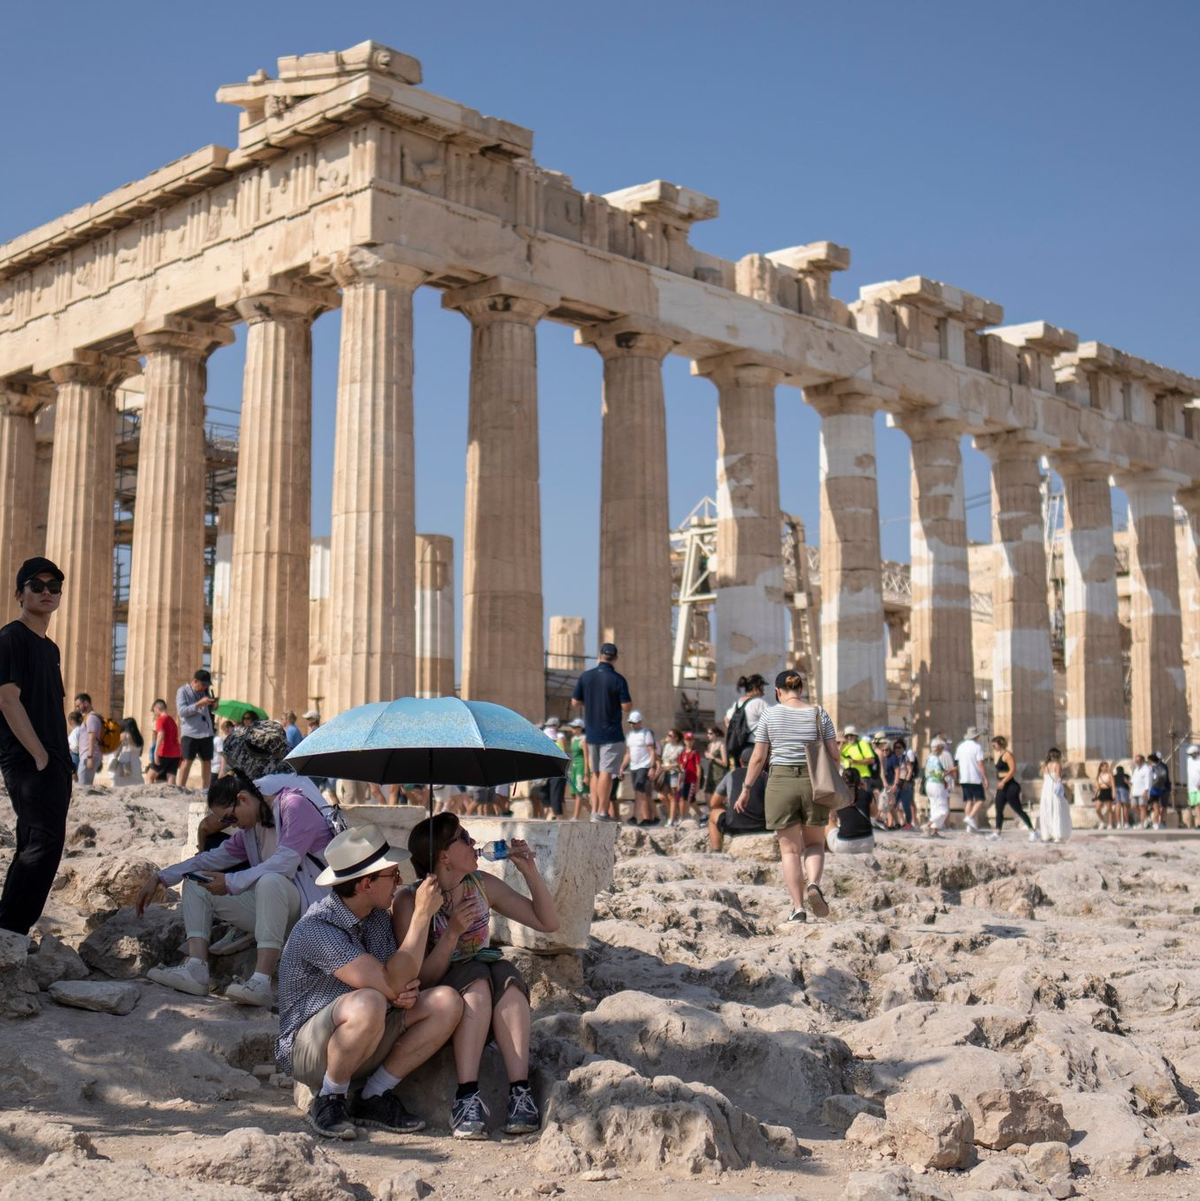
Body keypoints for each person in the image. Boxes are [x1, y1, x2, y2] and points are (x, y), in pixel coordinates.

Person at [276, 824, 464, 1140]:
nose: (400, 882)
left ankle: (373, 1096)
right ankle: (330, 1098)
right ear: (366, 884)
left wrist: (400, 992)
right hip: (309, 1053)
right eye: (392, 875)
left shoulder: (375, 918)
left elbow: (399, 981)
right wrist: (420, 916)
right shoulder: (317, 928)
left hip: (366, 1034)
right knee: (370, 1001)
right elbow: (388, 985)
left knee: (446, 1001)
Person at [135, 724, 336, 1006]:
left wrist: (230, 882)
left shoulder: (294, 804)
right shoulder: (253, 824)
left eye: (230, 818)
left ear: (243, 798)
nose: (230, 826)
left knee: (271, 880)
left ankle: (261, 981)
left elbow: (285, 863)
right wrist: (161, 877)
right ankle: (195, 968)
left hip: (312, 909)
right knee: (198, 880)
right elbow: (210, 858)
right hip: (277, 909)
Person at [395, 814, 559, 1139]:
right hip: (443, 998)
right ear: (444, 855)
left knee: (508, 979)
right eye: (464, 837)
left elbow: (547, 922)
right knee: (479, 981)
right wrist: (452, 934)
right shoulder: (411, 901)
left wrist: (530, 872)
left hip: (482, 980)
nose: (473, 843)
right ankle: (466, 1095)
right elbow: (419, 978)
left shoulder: (482, 884)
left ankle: (519, 1092)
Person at [0, 558, 74, 937]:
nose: (47, 591)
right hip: (30, 760)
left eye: (54, 586)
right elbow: (8, 700)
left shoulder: (51, 649)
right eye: (37, 585)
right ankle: (10, 929)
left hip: (55, 762)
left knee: (40, 843)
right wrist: (40, 755)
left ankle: (11, 930)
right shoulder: (11, 637)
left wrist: (60, 760)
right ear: (19, 593)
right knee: (41, 844)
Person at [738, 669, 837, 926]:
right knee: (815, 844)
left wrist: (746, 788)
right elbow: (834, 754)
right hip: (814, 781)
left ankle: (798, 908)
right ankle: (814, 883)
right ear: (801, 689)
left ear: (777, 691)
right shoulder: (819, 713)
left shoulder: (770, 714)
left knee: (790, 851)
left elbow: (759, 757)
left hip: (780, 780)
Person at [570, 643, 631, 823]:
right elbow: (627, 706)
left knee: (595, 773)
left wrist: (591, 701)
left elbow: (575, 702)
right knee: (606, 773)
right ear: (615, 658)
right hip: (611, 733)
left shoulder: (586, 676)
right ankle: (603, 812)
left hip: (592, 732)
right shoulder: (618, 679)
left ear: (599, 656)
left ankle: (595, 810)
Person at [707, 745, 767, 853]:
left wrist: (728, 807)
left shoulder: (731, 775)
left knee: (713, 813)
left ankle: (716, 851)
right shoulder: (765, 776)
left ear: (740, 761)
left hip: (734, 826)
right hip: (762, 826)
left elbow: (713, 803)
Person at [988, 735, 1036, 841]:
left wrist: (1004, 781)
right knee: (998, 808)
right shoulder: (1000, 755)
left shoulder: (1007, 755)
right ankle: (997, 832)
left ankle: (1032, 831)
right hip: (1002, 785)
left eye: (994, 745)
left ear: (1000, 744)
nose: (993, 748)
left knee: (1018, 809)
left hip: (1010, 785)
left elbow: (1012, 770)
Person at [176, 669, 217, 789]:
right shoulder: (183, 691)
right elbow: (182, 711)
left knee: (207, 762)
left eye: (207, 685)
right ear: (195, 681)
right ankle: (180, 787)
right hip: (190, 732)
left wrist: (213, 705)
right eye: (203, 685)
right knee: (187, 761)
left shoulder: (205, 692)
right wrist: (199, 704)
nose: (204, 688)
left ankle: (206, 789)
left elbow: (209, 711)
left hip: (206, 732)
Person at [621, 710, 659, 826]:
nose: (632, 725)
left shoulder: (645, 733)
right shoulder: (630, 735)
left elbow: (651, 751)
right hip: (634, 767)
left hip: (645, 766)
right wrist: (622, 767)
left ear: (640, 722)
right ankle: (653, 817)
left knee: (639, 790)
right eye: (630, 723)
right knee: (644, 793)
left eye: (634, 722)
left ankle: (636, 817)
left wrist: (652, 767)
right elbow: (628, 753)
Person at [826, 768, 876, 855]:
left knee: (826, 819)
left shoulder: (838, 795)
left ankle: (825, 848)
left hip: (844, 845)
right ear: (859, 781)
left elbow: (832, 815)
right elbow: (874, 814)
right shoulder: (866, 794)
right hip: (868, 843)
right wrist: (865, 790)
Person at [724, 674, 768, 765]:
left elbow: (726, 719)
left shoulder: (737, 705)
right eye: (762, 686)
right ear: (755, 687)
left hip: (739, 749)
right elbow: (773, 720)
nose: (764, 689)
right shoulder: (758, 703)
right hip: (755, 749)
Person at [954, 727, 989, 833]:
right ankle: (970, 818)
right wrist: (985, 778)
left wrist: (956, 777)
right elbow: (980, 763)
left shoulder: (960, 746)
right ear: (976, 736)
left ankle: (969, 827)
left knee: (968, 800)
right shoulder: (977, 747)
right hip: (975, 777)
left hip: (964, 777)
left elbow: (956, 763)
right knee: (980, 800)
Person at [923, 736, 955, 837]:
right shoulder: (935, 760)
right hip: (936, 785)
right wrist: (951, 771)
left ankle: (934, 831)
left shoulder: (929, 758)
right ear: (938, 748)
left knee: (934, 808)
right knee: (943, 810)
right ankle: (928, 825)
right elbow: (938, 774)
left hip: (929, 785)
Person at [1038, 747, 1071, 843]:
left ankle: (1047, 835)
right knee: (1057, 810)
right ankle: (1057, 835)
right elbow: (1057, 779)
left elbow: (1046, 778)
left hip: (1046, 789)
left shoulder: (1045, 766)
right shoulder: (1057, 765)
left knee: (1047, 811)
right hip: (1054, 789)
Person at [146, 698, 182, 784]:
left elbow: (161, 735)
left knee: (150, 776)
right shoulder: (172, 720)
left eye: (154, 711)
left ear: (157, 708)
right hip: (176, 753)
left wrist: (155, 752)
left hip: (164, 752)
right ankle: (173, 796)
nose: (154, 713)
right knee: (171, 778)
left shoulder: (160, 720)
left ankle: (149, 796)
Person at [541, 718, 568, 820]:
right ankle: (553, 815)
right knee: (544, 794)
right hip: (547, 772)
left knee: (556, 797)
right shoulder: (546, 737)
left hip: (557, 771)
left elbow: (562, 755)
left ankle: (559, 818)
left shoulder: (560, 737)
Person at [884, 739, 914, 829]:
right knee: (893, 803)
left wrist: (906, 781)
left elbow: (910, 770)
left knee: (906, 804)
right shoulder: (892, 758)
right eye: (895, 747)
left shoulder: (905, 758)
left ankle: (908, 823)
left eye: (899, 747)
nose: (897, 749)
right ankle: (892, 822)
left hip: (903, 782)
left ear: (903, 748)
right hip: (895, 782)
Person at [74, 692, 103, 785]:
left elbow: (92, 738)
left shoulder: (91, 718)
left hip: (88, 756)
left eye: (78, 706)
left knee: (83, 786)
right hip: (87, 756)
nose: (77, 709)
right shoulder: (88, 718)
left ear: (86, 703)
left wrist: (90, 758)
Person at [108, 718, 145, 787]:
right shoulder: (139, 737)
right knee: (136, 784)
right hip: (136, 762)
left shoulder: (123, 735)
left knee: (120, 784)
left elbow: (115, 750)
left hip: (124, 762)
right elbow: (140, 753)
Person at [658, 729, 684, 826]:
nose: (667, 737)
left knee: (671, 797)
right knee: (661, 796)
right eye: (667, 734)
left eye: (670, 735)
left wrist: (671, 766)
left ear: (676, 738)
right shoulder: (667, 746)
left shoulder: (680, 748)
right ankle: (674, 815)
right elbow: (663, 759)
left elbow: (681, 764)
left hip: (674, 773)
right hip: (664, 773)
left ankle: (671, 819)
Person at [568, 718, 589, 820]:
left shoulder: (583, 739)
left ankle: (575, 817)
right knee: (573, 793)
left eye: (575, 727)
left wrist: (586, 774)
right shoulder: (573, 739)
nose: (572, 729)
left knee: (578, 792)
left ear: (580, 728)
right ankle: (591, 810)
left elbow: (586, 757)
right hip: (574, 766)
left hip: (581, 767)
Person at [678, 732, 703, 821]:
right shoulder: (682, 753)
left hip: (692, 780)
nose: (689, 742)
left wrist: (698, 782)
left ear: (693, 741)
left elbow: (698, 768)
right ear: (684, 741)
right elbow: (680, 768)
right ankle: (702, 816)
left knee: (687, 800)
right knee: (690, 800)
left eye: (691, 740)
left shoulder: (695, 753)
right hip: (684, 780)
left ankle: (684, 818)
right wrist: (678, 782)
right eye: (687, 740)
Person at [703, 725, 729, 801]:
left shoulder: (721, 745)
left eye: (710, 733)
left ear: (716, 734)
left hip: (719, 775)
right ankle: (712, 812)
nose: (708, 735)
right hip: (711, 775)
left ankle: (721, 812)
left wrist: (713, 758)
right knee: (707, 796)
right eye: (708, 733)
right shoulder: (709, 745)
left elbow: (725, 763)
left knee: (719, 799)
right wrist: (707, 756)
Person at [1147, 752, 1171, 830]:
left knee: (1162, 806)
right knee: (1156, 806)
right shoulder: (1154, 767)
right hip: (1158, 788)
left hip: (1163, 789)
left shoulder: (1162, 767)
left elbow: (1161, 778)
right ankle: (1156, 822)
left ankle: (1161, 822)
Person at [1130, 754, 1151, 829]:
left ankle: (1142, 824)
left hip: (1143, 792)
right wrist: (1127, 782)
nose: (1136, 762)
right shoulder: (1136, 769)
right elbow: (1132, 781)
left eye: (1138, 760)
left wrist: (1146, 791)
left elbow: (1148, 780)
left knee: (1142, 807)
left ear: (1142, 760)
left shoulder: (1146, 769)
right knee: (1133, 806)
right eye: (1135, 760)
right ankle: (1145, 818)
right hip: (1135, 792)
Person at [1094, 760, 1115, 830]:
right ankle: (1103, 822)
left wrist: (1113, 793)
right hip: (1102, 791)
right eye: (1105, 767)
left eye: (1107, 767)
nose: (1106, 768)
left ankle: (1110, 824)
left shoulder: (1109, 774)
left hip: (1108, 790)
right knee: (1097, 809)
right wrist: (1095, 793)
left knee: (1109, 809)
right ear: (1101, 767)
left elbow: (1113, 785)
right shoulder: (1099, 776)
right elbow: (1098, 786)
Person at [1113, 762, 1132, 829]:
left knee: (1117, 806)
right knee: (1125, 806)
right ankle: (1126, 823)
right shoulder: (1126, 775)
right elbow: (1127, 781)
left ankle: (1118, 823)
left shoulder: (1114, 776)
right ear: (1123, 770)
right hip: (1123, 788)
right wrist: (1131, 784)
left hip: (1115, 789)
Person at [1185, 746, 1200, 829]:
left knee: (1199, 805)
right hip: (1191, 787)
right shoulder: (1189, 761)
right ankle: (1198, 823)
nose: (1191, 756)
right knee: (1195, 806)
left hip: (1199, 787)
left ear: (1196, 752)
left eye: (1192, 754)